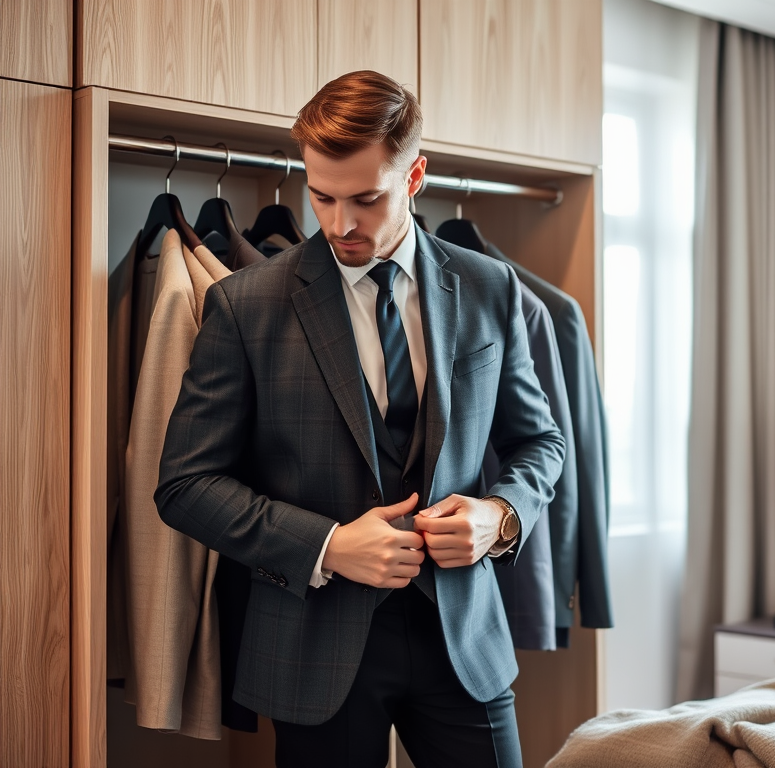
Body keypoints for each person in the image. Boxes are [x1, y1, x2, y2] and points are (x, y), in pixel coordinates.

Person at [155, 70, 565, 768]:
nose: (341, 223)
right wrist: (328, 545)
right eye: (322, 196)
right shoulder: (245, 306)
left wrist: (500, 516)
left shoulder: (489, 287)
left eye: (367, 198)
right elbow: (185, 485)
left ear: (415, 176)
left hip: (462, 639)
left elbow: (541, 441)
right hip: (313, 649)